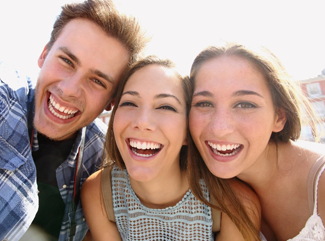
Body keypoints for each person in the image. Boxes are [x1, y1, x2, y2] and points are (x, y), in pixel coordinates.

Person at [0, 0, 148, 241]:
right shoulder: (0, 91)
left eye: (97, 81)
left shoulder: (105, 154)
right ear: (44, 54)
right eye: (66, 61)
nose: (71, 89)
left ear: (110, 101)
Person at [81, 56, 261, 240]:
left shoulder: (233, 203)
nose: (142, 122)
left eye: (165, 107)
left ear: (187, 131)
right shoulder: (99, 193)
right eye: (129, 103)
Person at [188, 41, 325, 241]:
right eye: (204, 103)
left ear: (279, 117)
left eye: (245, 104)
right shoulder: (204, 189)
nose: (219, 128)